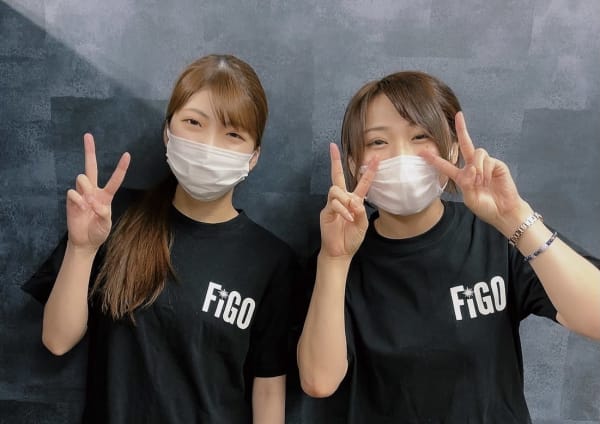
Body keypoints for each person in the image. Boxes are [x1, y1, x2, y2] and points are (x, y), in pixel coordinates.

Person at [297, 71, 600, 423]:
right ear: (353, 162)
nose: (402, 155)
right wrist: (334, 261)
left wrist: (516, 219)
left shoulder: (495, 237)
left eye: (420, 136)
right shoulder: (337, 256)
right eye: (378, 142)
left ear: (452, 149)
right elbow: (319, 381)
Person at [22, 54, 296, 424]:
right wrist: (82, 248)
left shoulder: (271, 260)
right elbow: (57, 340)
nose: (209, 146)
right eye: (194, 122)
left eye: (233, 134)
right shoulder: (113, 216)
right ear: (168, 131)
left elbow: (268, 390)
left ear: (254, 156)